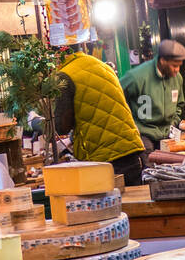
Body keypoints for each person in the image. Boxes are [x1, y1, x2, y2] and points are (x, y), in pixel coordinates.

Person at [53, 50, 146, 185]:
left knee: (111, 205)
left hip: (105, 160)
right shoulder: (101, 65)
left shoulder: (65, 76)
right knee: (133, 202)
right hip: (131, 150)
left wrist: (38, 122)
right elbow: (98, 113)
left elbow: (61, 126)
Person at [121, 39, 185, 153]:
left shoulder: (177, 78)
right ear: (162, 61)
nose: (177, 70)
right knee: (149, 169)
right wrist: (132, 126)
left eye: (179, 65)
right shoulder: (137, 76)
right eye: (174, 66)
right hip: (144, 134)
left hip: (168, 133)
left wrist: (174, 121)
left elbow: (179, 105)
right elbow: (116, 98)